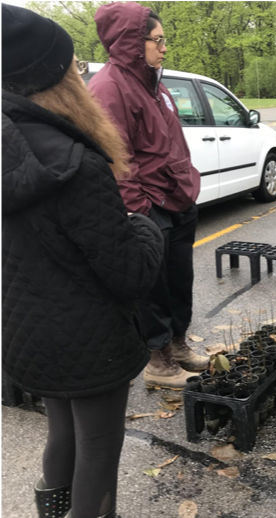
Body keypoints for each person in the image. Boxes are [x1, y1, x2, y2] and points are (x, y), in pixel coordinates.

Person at [1, 5, 165, 517]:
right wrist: (144, 226)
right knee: (98, 447)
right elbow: (129, 273)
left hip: (25, 333)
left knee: (62, 430)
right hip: (91, 340)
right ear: (53, 75)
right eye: (71, 64)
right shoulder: (75, 163)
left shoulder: (11, 149)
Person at [89, 2, 209, 389]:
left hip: (177, 198)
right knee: (152, 289)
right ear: (131, 42)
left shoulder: (152, 82)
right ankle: (157, 361)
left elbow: (167, 143)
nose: (164, 48)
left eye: (163, 40)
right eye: (157, 41)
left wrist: (186, 188)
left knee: (178, 281)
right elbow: (117, 160)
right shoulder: (109, 88)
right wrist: (142, 212)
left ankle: (177, 345)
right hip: (150, 207)